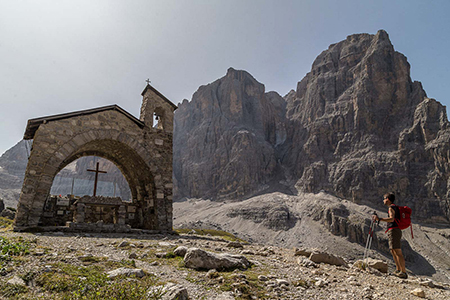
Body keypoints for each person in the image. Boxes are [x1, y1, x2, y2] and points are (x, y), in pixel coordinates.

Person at [373, 193, 407, 279]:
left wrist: (379, 219)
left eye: (384, 198)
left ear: (387, 199)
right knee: (393, 250)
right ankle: (398, 270)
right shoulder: (394, 207)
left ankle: (403, 272)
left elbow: (392, 219)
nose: (383, 200)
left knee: (397, 251)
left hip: (394, 230)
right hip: (393, 230)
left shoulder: (391, 207)